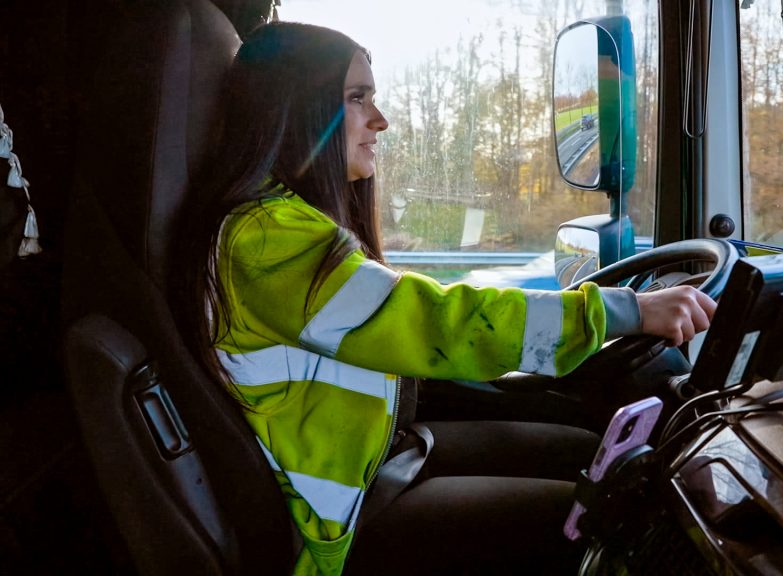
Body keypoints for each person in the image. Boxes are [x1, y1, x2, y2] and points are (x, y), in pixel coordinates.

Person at [175, 22, 716, 576]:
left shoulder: (285, 227)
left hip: (373, 466)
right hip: (336, 527)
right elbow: (436, 321)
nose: (379, 120)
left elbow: (417, 315)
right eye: (356, 99)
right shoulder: (266, 240)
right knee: (623, 521)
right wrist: (622, 310)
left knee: (584, 454)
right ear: (295, 111)